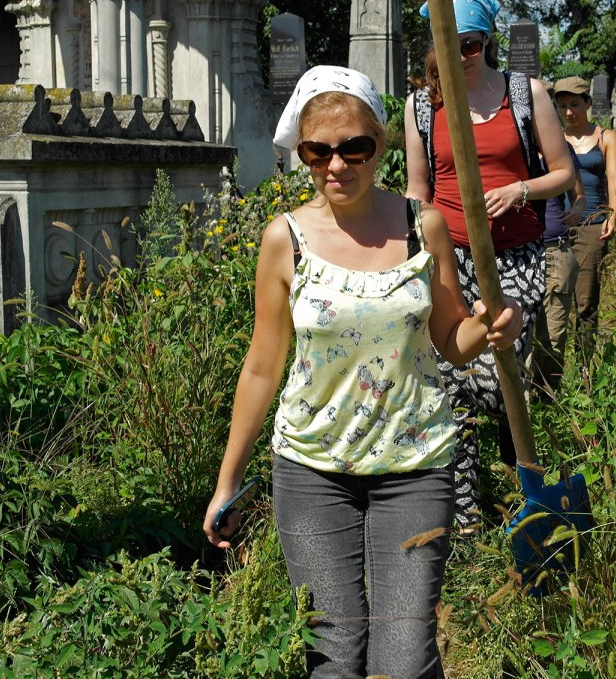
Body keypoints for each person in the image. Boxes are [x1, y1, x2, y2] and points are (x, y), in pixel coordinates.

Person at [204, 65, 522, 679]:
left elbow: (453, 341)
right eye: (318, 151)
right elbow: (262, 365)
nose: (336, 165)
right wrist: (228, 481)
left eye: (354, 147)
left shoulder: (420, 226)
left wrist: (489, 328)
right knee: (334, 653)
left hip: (414, 465)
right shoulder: (285, 239)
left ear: (380, 145)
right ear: (302, 152)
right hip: (312, 471)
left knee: (404, 659)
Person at [404, 0, 574, 531]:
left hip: (515, 259)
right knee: (452, 380)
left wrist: (521, 190)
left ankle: (517, 470)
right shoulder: (420, 107)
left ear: (487, 43)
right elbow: (418, 189)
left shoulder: (526, 94)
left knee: (491, 374)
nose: (459, 56)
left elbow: (564, 172)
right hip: (450, 259)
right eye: (448, 44)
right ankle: (465, 510)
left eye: (471, 45)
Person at [554, 76, 616, 365]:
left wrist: (612, 216)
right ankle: (552, 372)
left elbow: (615, 181)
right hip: (557, 227)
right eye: (563, 106)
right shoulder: (555, 137)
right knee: (555, 303)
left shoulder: (606, 137)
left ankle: (585, 369)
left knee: (585, 302)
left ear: (588, 104)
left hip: (593, 225)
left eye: (575, 104)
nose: (569, 112)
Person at [530, 141, 584, 396]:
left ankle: (547, 399)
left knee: (553, 333)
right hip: (519, 252)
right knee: (521, 332)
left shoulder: (560, 149)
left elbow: (579, 196)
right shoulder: (508, 143)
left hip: (556, 249)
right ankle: (522, 401)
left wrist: (577, 210)